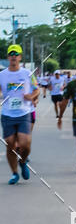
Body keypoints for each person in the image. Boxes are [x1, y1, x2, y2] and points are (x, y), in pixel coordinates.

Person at [0, 43, 39, 184]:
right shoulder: (2, 75)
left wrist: (32, 96)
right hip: (7, 114)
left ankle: (22, 162)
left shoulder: (27, 74)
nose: (13, 57)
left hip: (24, 113)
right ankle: (14, 173)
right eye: (11, 54)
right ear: (8, 57)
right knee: (10, 144)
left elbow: (37, 89)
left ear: (20, 57)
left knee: (25, 144)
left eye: (16, 54)